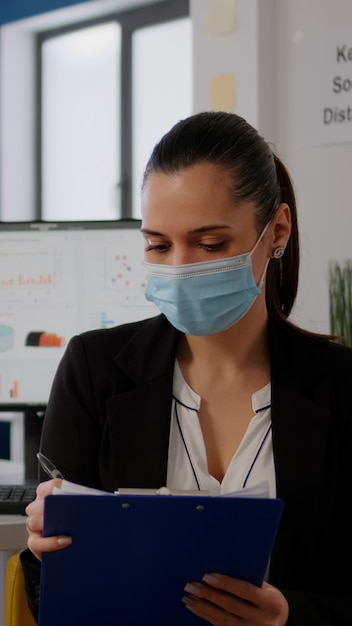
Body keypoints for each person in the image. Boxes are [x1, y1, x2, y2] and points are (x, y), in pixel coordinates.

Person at [22, 111, 352, 626]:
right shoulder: (93, 370)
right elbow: (51, 600)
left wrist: (290, 618)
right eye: (157, 244)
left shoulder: (341, 387)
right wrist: (48, 549)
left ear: (277, 230)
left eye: (210, 243)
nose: (179, 268)